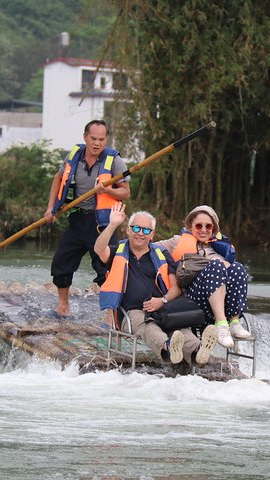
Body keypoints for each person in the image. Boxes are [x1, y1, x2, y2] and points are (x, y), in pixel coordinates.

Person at [95, 202, 218, 365]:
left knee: (179, 329)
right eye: (136, 228)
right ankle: (168, 348)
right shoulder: (117, 249)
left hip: (162, 307)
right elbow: (98, 249)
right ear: (128, 230)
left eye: (146, 230)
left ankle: (198, 350)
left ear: (152, 235)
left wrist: (162, 300)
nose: (140, 233)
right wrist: (112, 225)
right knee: (148, 326)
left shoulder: (162, 254)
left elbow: (175, 288)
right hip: (130, 312)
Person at [44, 120, 130, 318]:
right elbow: (58, 179)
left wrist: (107, 189)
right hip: (77, 219)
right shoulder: (74, 156)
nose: (97, 143)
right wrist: (51, 208)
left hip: (103, 225)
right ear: (85, 137)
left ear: (106, 140)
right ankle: (63, 306)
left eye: (102, 139)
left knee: (106, 268)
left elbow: (125, 193)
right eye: (93, 139)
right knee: (61, 261)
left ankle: (113, 315)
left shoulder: (114, 160)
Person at [154, 205, 250, 349]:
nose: (203, 230)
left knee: (238, 268)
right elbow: (148, 247)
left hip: (219, 300)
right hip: (191, 299)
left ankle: (234, 322)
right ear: (190, 226)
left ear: (214, 228)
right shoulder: (176, 241)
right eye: (199, 226)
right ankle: (221, 324)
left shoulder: (218, 248)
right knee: (216, 265)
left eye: (208, 226)